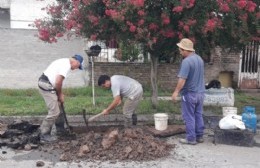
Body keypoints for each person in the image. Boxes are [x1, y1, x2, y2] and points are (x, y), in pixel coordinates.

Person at [38, 55, 84, 143]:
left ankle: (60, 130)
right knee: (54, 111)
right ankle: (44, 134)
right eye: (78, 67)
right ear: (77, 62)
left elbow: (57, 81)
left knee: (59, 107)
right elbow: (58, 82)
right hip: (46, 85)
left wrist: (59, 95)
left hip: (46, 83)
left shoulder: (63, 61)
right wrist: (60, 94)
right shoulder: (66, 65)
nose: (75, 69)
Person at [172, 38, 205, 145]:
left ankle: (191, 138)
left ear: (186, 50)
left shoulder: (186, 62)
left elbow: (182, 79)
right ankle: (199, 136)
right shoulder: (199, 59)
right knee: (198, 114)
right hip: (200, 93)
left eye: (181, 50)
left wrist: (176, 92)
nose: (180, 52)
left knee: (189, 116)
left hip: (190, 93)